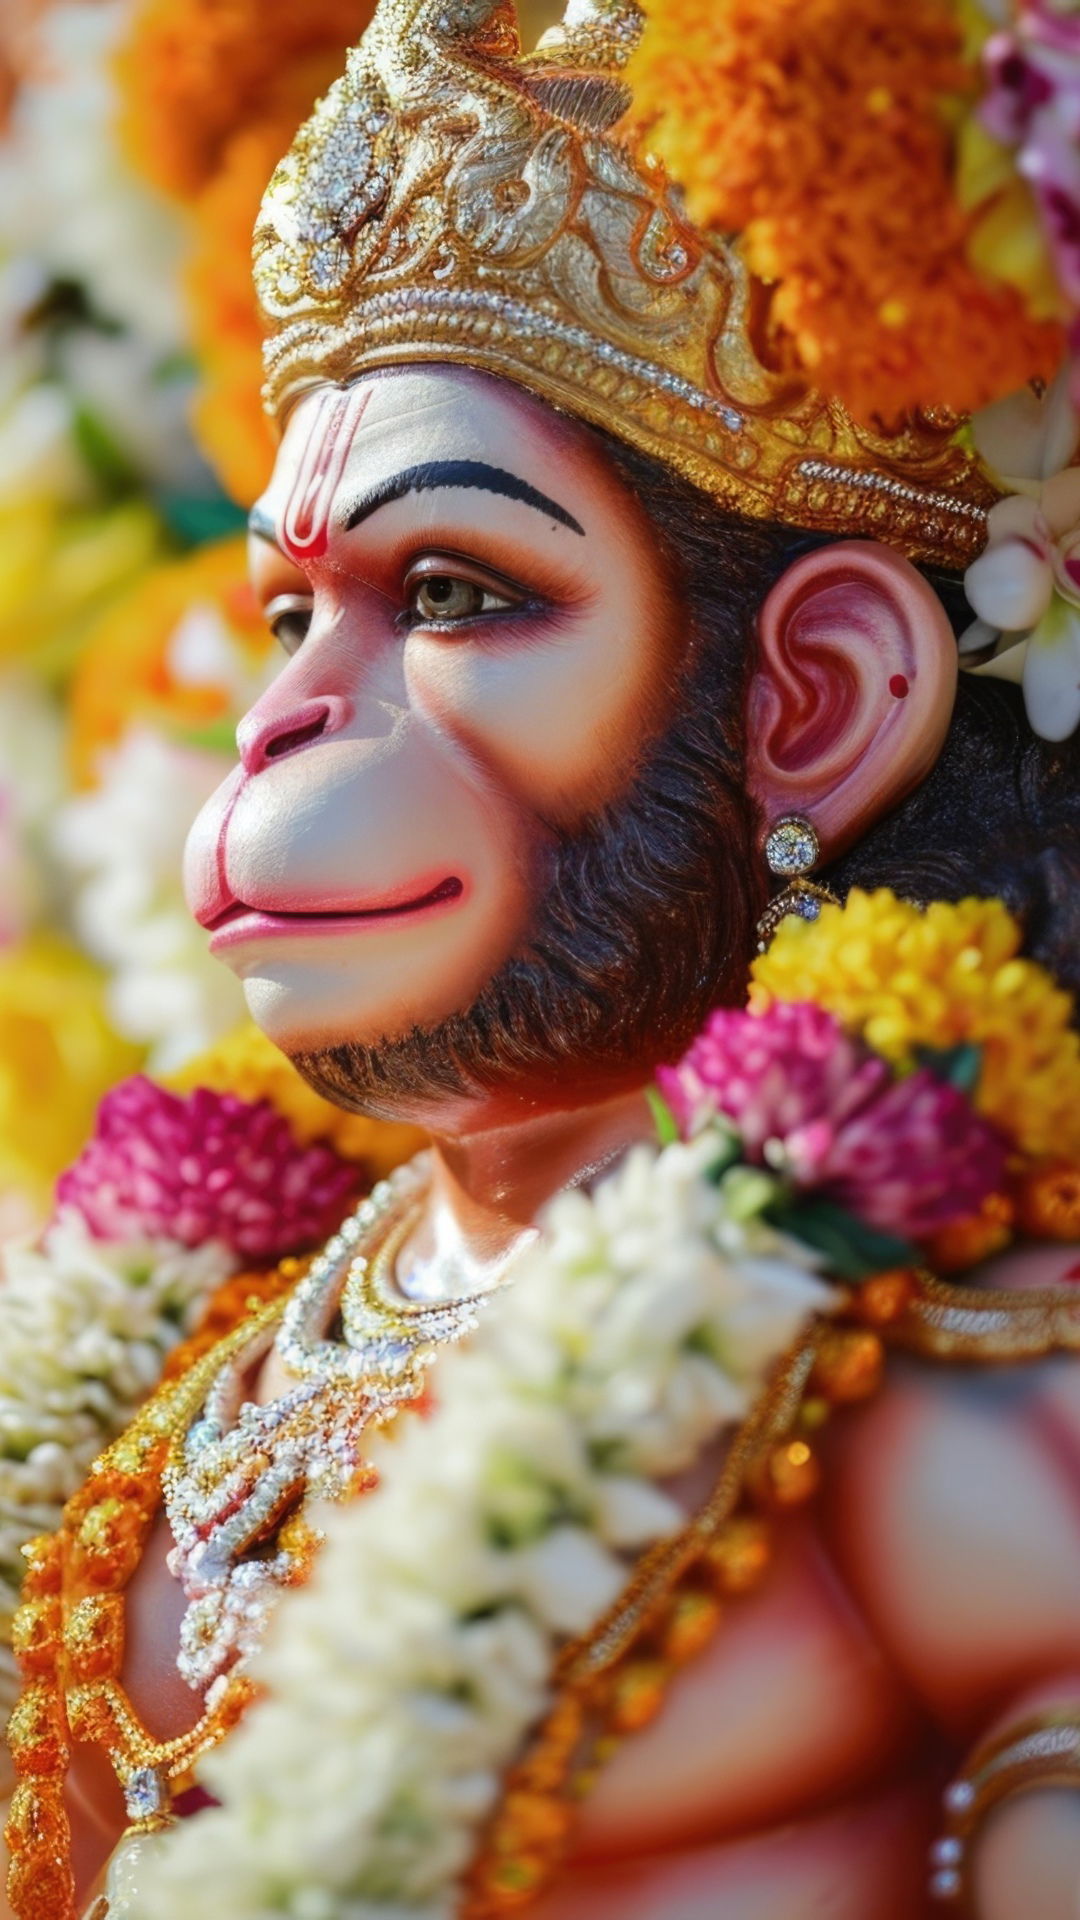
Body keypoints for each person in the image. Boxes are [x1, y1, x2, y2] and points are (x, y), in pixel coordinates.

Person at [5, 1, 1080, 1916]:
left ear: (814, 701)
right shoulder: (201, 1341)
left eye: (449, 595)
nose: (279, 719)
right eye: (283, 613)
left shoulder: (964, 1377)